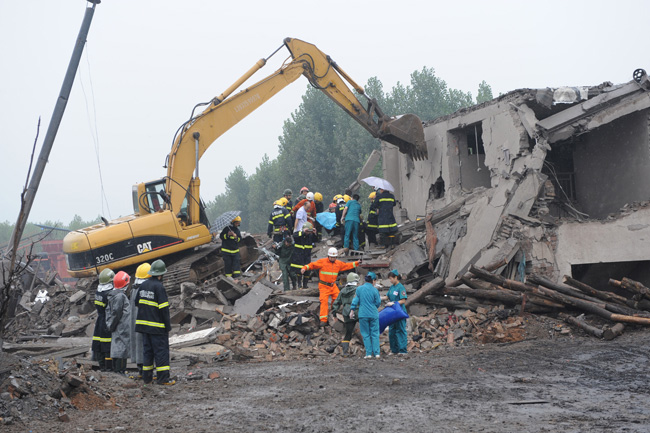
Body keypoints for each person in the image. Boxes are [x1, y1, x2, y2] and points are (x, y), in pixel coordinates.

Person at [135, 259, 174, 385]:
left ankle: (147, 378)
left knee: (148, 352)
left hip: (144, 327)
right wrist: (167, 326)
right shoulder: (159, 287)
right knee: (161, 352)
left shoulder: (143, 285)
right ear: (161, 274)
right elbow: (164, 310)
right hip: (157, 328)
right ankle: (163, 379)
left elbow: (137, 302)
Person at [301, 247, 360, 325]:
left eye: (334, 257)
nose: (333, 258)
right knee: (324, 301)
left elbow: (346, 265)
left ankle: (333, 312)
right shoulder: (322, 262)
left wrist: (356, 263)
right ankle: (323, 320)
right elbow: (313, 265)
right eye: (331, 257)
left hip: (333, 285)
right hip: (323, 285)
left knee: (338, 299)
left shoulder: (338, 263)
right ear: (328, 256)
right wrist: (305, 268)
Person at [350, 272, 381, 359]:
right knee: (374, 334)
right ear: (373, 281)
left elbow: (355, 300)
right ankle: (377, 353)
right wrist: (374, 307)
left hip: (363, 314)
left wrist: (352, 310)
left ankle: (368, 354)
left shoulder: (359, 289)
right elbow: (378, 302)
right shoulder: (375, 290)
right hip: (373, 314)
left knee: (366, 334)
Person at [106, 270, 132, 374]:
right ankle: (120, 371)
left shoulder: (115, 295)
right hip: (121, 326)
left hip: (119, 326)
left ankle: (119, 370)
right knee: (121, 348)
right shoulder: (120, 297)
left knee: (119, 347)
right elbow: (116, 312)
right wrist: (112, 325)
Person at [330, 272, 360, 356]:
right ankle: (373, 347)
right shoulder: (358, 290)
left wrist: (334, 314)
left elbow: (336, 303)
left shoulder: (343, 291)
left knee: (348, 333)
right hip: (358, 311)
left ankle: (345, 352)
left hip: (346, 312)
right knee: (366, 329)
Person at [129, 263, 150, 378]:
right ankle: (145, 371)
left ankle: (140, 369)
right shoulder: (144, 289)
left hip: (135, 323)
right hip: (143, 323)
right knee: (144, 345)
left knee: (137, 344)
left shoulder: (134, 288)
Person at [92, 268, 114, 371]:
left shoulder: (98, 292)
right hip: (106, 320)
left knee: (98, 343)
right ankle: (109, 367)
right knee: (107, 344)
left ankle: (101, 366)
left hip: (99, 320)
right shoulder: (108, 293)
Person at [383, 269, 408, 355]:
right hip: (392, 313)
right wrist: (378, 298)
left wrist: (394, 303)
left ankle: (403, 350)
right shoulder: (392, 287)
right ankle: (394, 350)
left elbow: (403, 300)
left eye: (391, 278)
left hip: (399, 312)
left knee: (400, 330)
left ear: (396, 277)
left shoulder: (400, 287)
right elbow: (387, 297)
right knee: (392, 331)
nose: (390, 280)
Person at [290, 222, 317, 289]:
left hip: (307, 256)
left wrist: (315, 233)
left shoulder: (310, 236)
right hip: (298, 256)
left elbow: (316, 240)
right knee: (299, 270)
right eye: (307, 231)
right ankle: (299, 285)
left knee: (307, 270)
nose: (308, 233)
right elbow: (294, 235)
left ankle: (305, 285)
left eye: (309, 232)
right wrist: (303, 232)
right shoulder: (299, 234)